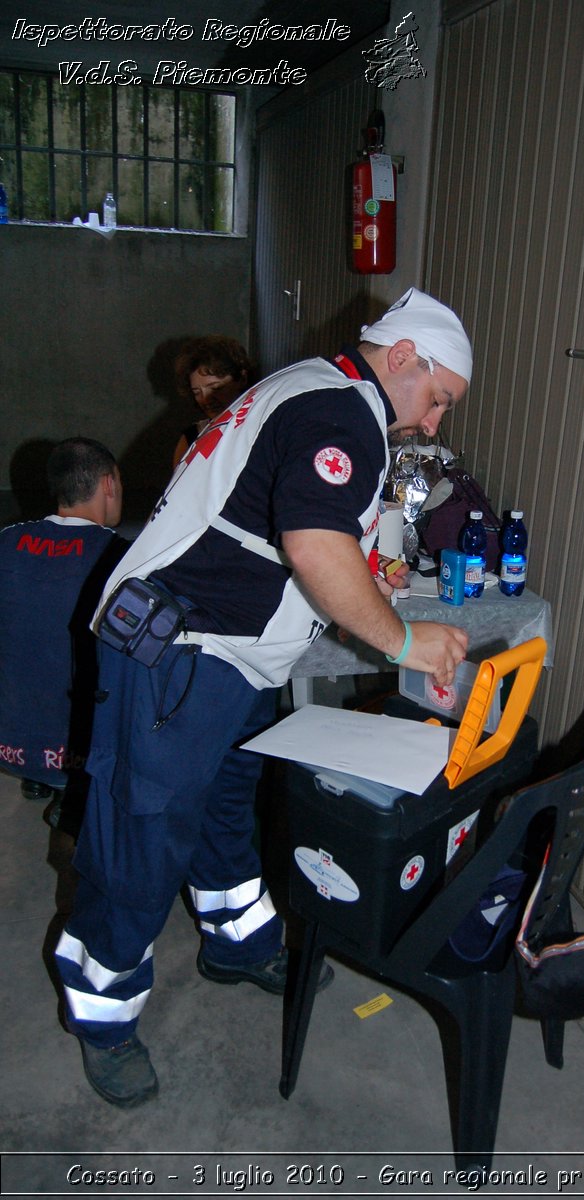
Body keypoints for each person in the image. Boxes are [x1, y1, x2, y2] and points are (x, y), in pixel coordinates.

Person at [55, 288, 472, 1108]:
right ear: (404, 359)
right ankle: (101, 1014)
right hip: (182, 657)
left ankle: (236, 940)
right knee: (142, 836)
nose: (431, 423)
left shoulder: (312, 389)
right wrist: (403, 640)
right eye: (437, 399)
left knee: (226, 806)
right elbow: (315, 547)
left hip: (228, 657)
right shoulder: (340, 411)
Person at [0, 438, 127, 839]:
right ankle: (76, 802)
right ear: (109, 484)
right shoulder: (122, 557)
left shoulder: (5, 541)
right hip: (81, 756)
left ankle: (48, 782)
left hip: (9, 744)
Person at [171, 335, 254, 468]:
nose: (205, 400)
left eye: (216, 388)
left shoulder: (260, 426)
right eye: (197, 392)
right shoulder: (192, 438)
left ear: (242, 379)